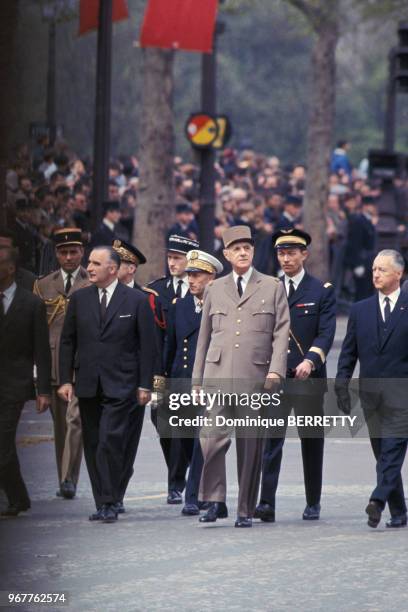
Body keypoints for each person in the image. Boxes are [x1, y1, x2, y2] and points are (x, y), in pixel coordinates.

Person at [192, 225, 290, 528]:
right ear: (226, 254)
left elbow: (281, 331)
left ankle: (245, 509)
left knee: (250, 446)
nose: (243, 252)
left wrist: (275, 370)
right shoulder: (215, 288)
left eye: (247, 247)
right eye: (236, 248)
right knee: (211, 441)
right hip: (218, 375)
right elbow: (204, 338)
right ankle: (215, 499)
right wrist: (197, 381)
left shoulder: (272, 286)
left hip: (255, 375)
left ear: (253, 251)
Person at [58, 246, 156, 523]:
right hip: (88, 384)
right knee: (92, 443)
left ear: (112, 269)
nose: (88, 267)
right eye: (89, 263)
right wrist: (66, 379)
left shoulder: (136, 300)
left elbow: (148, 346)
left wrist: (145, 385)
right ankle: (103, 502)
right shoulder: (79, 300)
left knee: (110, 441)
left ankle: (112, 499)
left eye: (95, 263)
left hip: (122, 384)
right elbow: (68, 341)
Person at [255, 229, 336, 523]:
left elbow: (327, 332)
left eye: (291, 253)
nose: (286, 259)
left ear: (305, 255)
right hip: (275, 377)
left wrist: (311, 361)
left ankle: (313, 501)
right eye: (281, 253)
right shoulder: (268, 288)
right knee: (270, 441)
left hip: (308, 378)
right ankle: (266, 503)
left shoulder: (321, 290)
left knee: (311, 442)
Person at [336, 249, 408, 528]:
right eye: (374, 269)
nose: (375, 274)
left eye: (383, 270)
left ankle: (377, 500)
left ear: (399, 274)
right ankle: (399, 512)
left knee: (392, 449)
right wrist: (341, 385)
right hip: (370, 395)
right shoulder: (360, 309)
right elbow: (348, 353)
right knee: (383, 454)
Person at [164, 249, 223, 516]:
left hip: (210, 382)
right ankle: (186, 485)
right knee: (184, 438)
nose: (191, 280)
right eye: (189, 274)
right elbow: (170, 346)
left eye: (197, 275)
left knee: (203, 439)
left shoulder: (222, 306)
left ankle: (193, 495)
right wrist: (159, 387)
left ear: (212, 278)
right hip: (181, 380)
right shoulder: (180, 305)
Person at [33, 228, 89, 499]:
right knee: (61, 427)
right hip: (55, 364)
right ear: (56, 254)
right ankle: (64, 476)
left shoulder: (92, 282)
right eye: (63, 252)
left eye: (73, 251)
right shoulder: (44, 285)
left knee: (75, 420)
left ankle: (69, 478)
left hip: (83, 363)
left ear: (82, 253)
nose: (68, 257)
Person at [112, 238, 164, 510]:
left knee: (127, 439)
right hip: (104, 379)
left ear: (130, 268)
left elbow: (151, 345)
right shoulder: (95, 293)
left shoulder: (147, 299)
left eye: (118, 263)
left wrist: (152, 382)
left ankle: (117, 492)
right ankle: (108, 491)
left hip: (133, 381)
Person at [0, 247, 51, 516]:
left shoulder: (32, 304)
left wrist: (43, 390)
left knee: (4, 444)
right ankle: (19, 497)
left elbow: (41, 350)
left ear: (10, 269)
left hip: (14, 385)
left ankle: (16, 497)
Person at [148, 234, 199, 504]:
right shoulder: (157, 290)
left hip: (185, 368)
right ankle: (181, 469)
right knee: (160, 420)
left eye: (177, 258)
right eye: (169, 258)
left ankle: (177, 481)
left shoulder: (200, 289)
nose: (172, 263)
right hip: (160, 370)